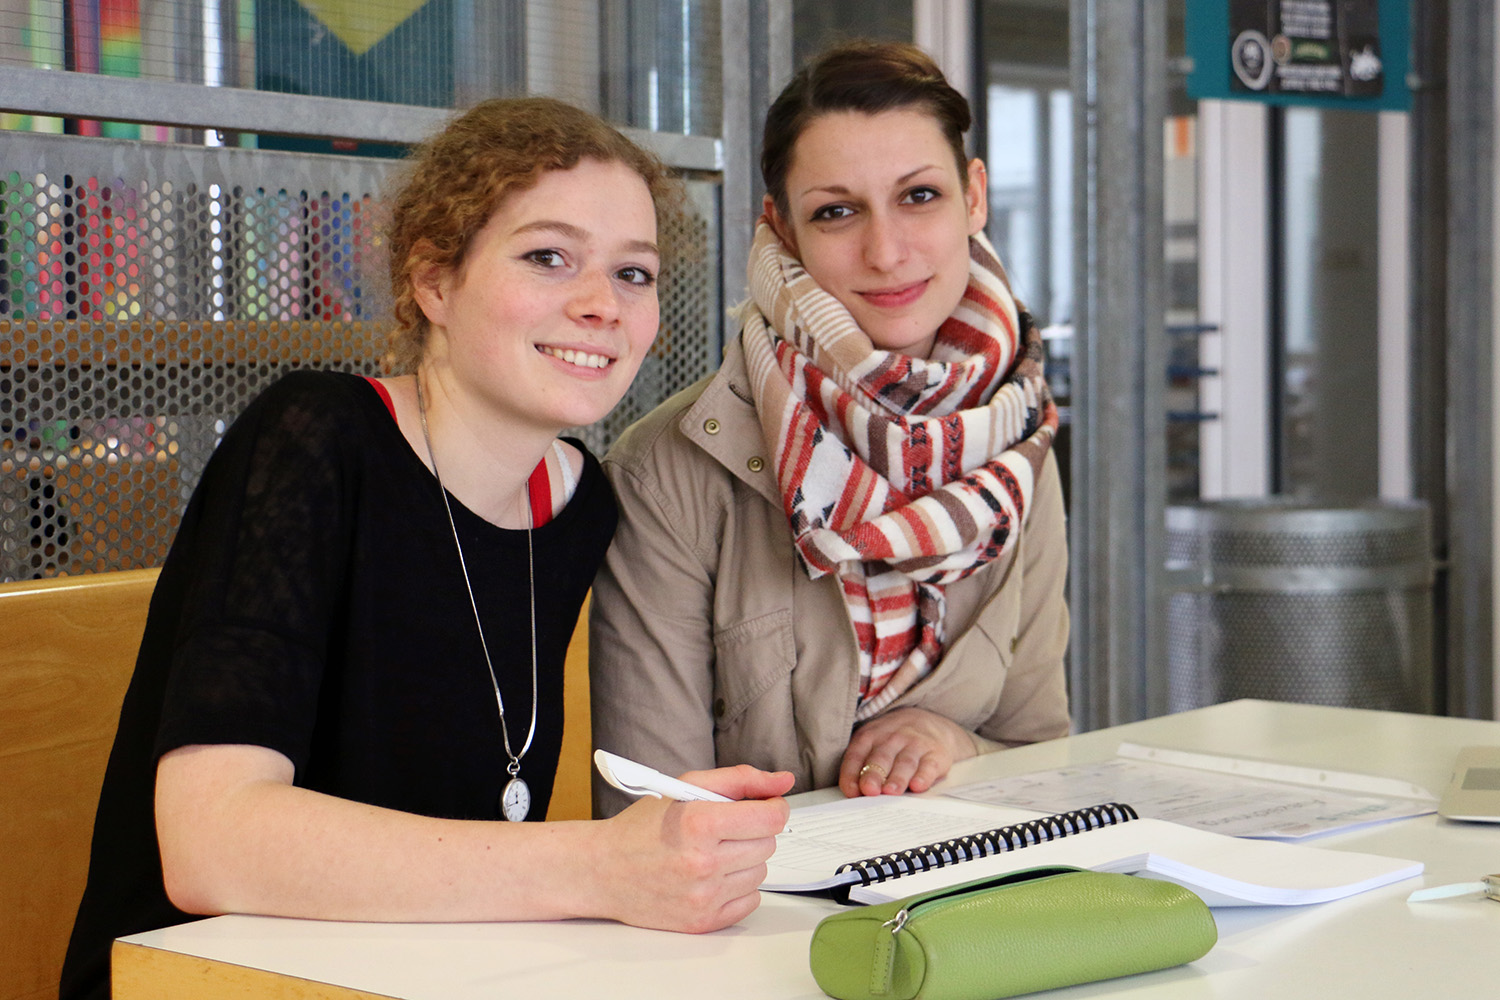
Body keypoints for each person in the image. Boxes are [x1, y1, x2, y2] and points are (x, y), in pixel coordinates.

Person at [60, 97, 792, 1000]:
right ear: (435, 283)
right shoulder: (315, 439)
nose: (603, 305)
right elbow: (211, 845)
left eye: (634, 273)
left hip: (432, 975)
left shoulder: (581, 503)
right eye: (548, 257)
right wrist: (601, 863)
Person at [590, 40, 1070, 817]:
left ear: (973, 196)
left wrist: (956, 745)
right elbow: (653, 815)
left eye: (919, 196)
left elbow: (1042, 751)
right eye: (836, 212)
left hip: (964, 912)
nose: (886, 252)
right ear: (781, 229)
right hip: (749, 924)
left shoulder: (1019, 447)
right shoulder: (667, 472)